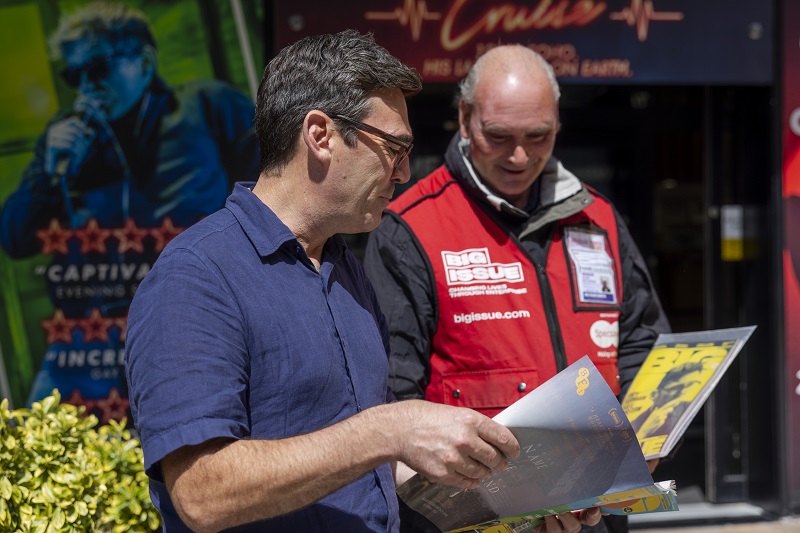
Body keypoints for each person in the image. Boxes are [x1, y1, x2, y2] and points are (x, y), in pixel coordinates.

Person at [125, 30, 602, 533]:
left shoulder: (343, 266)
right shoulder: (196, 276)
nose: (401, 173)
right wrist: (385, 429)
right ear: (320, 135)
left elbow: (375, 469)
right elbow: (202, 494)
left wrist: (525, 495)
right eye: (393, 148)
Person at [363, 44, 671, 533]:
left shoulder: (598, 219)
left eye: (539, 136)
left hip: (594, 516)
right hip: (478, 518)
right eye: (499, 136)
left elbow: (640, 343)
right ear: (464, 119)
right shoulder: (410, 229)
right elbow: (393, 395)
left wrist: (643, 443)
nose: (520, 155)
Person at [0, 1, 259, 422]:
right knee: (33, 441)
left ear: (144, 60)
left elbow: (274, 193)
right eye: (73, 75)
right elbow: (14, 237)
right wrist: (49, 176)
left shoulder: (207, 107)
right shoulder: (67, 140)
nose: (85, 86)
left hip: (192, 314)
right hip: (94, 331)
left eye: (98, 69)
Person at [629, 362, 705, 437]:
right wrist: (643, 433)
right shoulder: (636, 422)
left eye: (692, 385)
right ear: (654, 394)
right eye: (676, 388)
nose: (683, 393)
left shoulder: (692, 410)